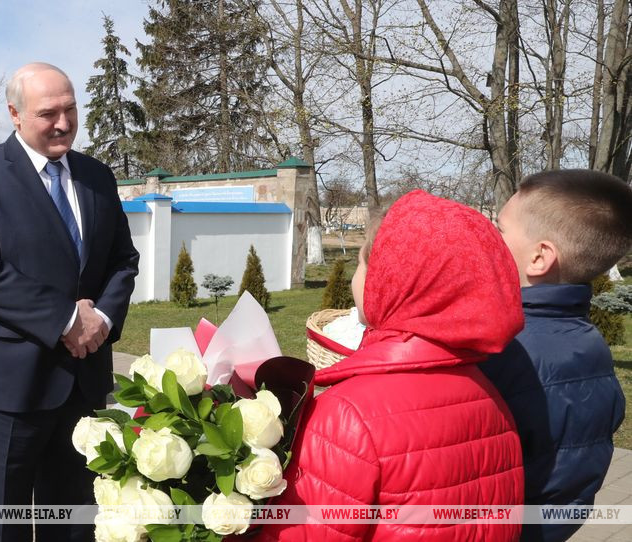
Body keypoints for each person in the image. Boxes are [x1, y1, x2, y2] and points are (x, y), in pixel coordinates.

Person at [257, 190, 525, 541]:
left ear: (394, 282)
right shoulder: (487, 395)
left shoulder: (346, 415)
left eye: (362, 264)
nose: (356, 276)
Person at [0, 62, 139, 541]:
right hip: (7, 389)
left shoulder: (97, 175)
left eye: (71, 109)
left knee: (75, 524)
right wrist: (68, 319)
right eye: (48, 113)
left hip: (84, 382)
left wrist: (103, 321)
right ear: (14, 114)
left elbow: (123, 259)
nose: (64, 123)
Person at [480, 170, 632, 542]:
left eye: (499, 230)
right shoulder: (587, 339)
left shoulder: (504, 348)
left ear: (539, 257)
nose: (489, 239)